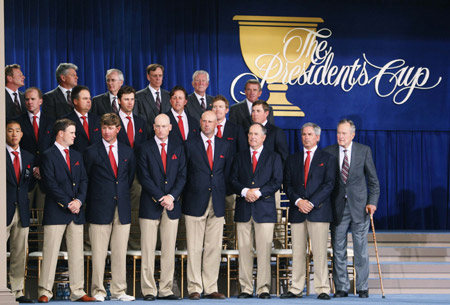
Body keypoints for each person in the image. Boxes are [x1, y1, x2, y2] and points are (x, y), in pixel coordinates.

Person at [38, 119, 94, 303]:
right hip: (56, 211)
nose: (75, 136)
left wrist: (78, 201)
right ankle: (45, 291)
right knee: (51, 252)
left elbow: (84, 180)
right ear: (61, 133)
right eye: (71, 132)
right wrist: (68, 202)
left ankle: (77, 291)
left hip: (76, 212)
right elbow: (50, 184)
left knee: (77, 254)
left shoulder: (77, 155)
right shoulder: (47, 155)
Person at [324, 119, 380, 299]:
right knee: (338, 248)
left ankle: (363, 286)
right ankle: (341, 287)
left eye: (344, 133)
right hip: (337, 207)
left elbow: (373, 181)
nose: (340, 136)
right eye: (338, 133)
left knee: (360, 249)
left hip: (360, 207)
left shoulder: (364, 151)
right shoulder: (329, 152)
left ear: (352, 135)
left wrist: (373, 202)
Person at [83, 113, 136, 302]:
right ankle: (98, 291)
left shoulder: (127, 151)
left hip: (121, 208)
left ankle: (119, 291)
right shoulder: (91, 151)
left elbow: (127, 179)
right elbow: (86, 179)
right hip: (99, 208)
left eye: (111, 128)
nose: (107, 131)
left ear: (118, 129)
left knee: (120, 252)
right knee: (98, 253)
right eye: (104, 128)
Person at [283, 122, 337, 300]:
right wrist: (299, 201)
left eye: (309, 135)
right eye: (303, 135)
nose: (306, 138)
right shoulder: (293, 159)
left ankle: (322, 288)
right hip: (298, 211)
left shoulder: (327, 158)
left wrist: (311, 203)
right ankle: (296, 288)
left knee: (320, 251)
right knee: (297, 252)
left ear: (318, 137)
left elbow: (329, 184)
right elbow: (288, 185)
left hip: (319, 211)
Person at [136, 113, 187, 301]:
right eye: (157, 126)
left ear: (170, 128)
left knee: (168, 249)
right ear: (153, 127)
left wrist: (171, 197)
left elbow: (182, 176)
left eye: (164, 126)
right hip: (150, 204)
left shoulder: (178, 148)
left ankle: (166, 289)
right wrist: (160, 197)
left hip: (172, 205)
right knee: (148, 250)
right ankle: (148, 290)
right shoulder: (144, 148)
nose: (161, 130)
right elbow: (144, 177)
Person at [230, 123, 283, 299]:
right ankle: (245, 288)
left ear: (264, 137)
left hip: (264, 210)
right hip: (244, 209)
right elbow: (233, 179)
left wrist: (258, 193)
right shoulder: (239, 156)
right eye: (250, 133)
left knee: (264, 251)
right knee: (244, 250)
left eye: (256, 134)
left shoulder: (273, 157)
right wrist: (245, 191)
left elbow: (276, 181)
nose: (252, 137)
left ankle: (263, 288)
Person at [183, 110, 231, 300]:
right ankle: (194, 287)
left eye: (211, 121)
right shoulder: (189, 144)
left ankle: (211, 287)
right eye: (204, 121)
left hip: (217, 202)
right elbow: (184, 173)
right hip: (194, 201)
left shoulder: (225, 146)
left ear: (216, 124)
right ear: (200, 123)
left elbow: (226, 173)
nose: (207, 124)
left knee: (213, 247)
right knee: (194, 247)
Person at [211, 95, 247, 247]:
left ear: (226, 110)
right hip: (211, 185)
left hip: (230, 185)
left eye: (220, 107)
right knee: (212, 221)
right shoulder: (206, 128)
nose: (217, 109)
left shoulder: (236, 129)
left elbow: (243, 155)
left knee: (231, 218)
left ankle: (232, 249)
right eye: (214, 107)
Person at [6, 120, 35, 303]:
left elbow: (29, 183)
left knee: (19, 253)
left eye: (17, 131)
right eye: (10, 131)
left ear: (22, 134)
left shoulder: (28, 156)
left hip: (22, 210)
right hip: (4, 209)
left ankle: (16, 291)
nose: (14, 134)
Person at [116, 85, 147, 250]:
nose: (130, 103)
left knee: (135, 209)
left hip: (137, 174)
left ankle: (134, 247)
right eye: (126, 99)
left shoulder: (141, 122)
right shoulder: (111, 121)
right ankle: (116, 248)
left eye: (132, 99)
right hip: (116, 173)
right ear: (119, 100)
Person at [15, 87, 55, 211]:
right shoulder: (17, 122)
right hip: (25, 177)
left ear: (41, 101)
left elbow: (53, 149)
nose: (30, 102)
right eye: (27, 99)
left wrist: (42, 168)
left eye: (33, 99)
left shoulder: (51, 122)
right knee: (23, 217)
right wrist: (32, 168)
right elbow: (17, 149)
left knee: (43, 220)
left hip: (45, 177)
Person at [63, 85, 102, 153]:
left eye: (89, 98)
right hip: (76, 160)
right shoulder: (66, 120)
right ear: (75, 101)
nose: (89, 101)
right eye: (85, 99)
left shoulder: (97, 119)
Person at [135, 64, 171, 131]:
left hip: (166, 137)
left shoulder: (168, 96)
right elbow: (139, 120)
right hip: (147, 136)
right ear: (148, 77)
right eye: (155, 76)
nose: (158, 78)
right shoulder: (138, 96)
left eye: (160, 75)